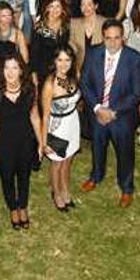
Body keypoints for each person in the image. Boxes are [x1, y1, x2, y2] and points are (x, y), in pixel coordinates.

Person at [80, 20, 140, 208]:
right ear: (103, 37)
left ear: (123, 37)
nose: (113, 42)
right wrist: (97, 109)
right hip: (98, 113)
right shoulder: (93, 53)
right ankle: (96, 176)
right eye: (108, 38)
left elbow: (137, 94)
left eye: (117, 38)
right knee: (97, 146)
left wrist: (113, 112)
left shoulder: (134, 59)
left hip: (121, 116)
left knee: (125, 152)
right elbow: (84, 84)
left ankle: (126, 187)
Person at [0, 54, 43, 229]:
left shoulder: (30, 89)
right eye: (7, 68)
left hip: (25, 141)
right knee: (6, 177)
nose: (11, 72)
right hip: (4, 142)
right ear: (2, 70)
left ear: (21, 70)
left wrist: (41, 143)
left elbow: (35, 117)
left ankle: (22, 206)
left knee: (24, 176)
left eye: (15, 67)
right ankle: (13, 208)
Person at [41, 45, 82, 211]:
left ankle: (65, 188)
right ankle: (56, 192)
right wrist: (43, 142)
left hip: (72, 122)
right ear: (54, 61)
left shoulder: (74, 76)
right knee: (57, 162)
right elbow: (45, 115)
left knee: (68, 159)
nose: (64, 64)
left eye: (67, 60)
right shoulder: (50, 85)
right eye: (60, 60)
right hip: (57, 127)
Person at [30, 0, 69, 89]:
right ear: (47, 8)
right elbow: (34, 54)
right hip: (44, 72)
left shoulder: (67, 25)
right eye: (51, 6)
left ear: (62, 9)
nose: (54, 10)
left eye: (58, 6)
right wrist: (34, 77)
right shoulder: (39, 27)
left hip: (63, 70)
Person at [0, 2, 29, 76]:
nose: (8, 18)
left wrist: (17, 74)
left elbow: (25, 58)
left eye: (9, 15)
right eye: (4, 16)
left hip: (15, 71)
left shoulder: (18, 33)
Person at [68, 0, 106, 72]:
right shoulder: (74, 23)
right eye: (83, 5)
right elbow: (72, 46)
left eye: (89, 4)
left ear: (96, 6)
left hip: (101, 68)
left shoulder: (105, 23)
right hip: (80, 68)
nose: (85, 8)